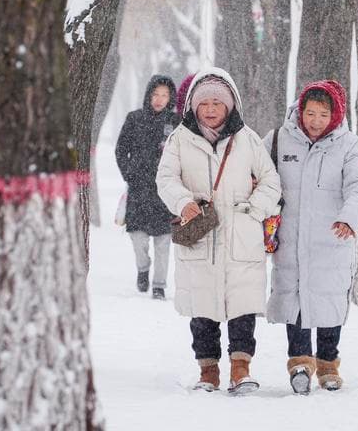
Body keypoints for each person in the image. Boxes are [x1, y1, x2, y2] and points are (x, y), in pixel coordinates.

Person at [156, 67, 281, 395]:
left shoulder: (248, 139)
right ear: (193, 106)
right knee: (202, 309)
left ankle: (241, 370)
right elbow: (165, 179)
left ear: (230, 105)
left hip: (241, 236)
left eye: (217, 103)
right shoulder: (179, 139)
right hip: (200, 235)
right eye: (204, 103)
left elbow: (271, 181)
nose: (210, 109)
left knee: (242, 307)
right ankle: (208, 371)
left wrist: (253, 211)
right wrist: (183, 201)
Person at [265, 80, 358, 394]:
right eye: (310, 113)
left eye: (323, 114)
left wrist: (349, 218)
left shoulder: (349, 144)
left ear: (335, 114)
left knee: (328, 298)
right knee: (294, 296)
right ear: (300, 110)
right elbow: (256, 175)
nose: (315, 120)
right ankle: (299, 362)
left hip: (332, 237)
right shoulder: (279, 139)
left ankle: (327, 364)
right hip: (292, 237)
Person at [115, 74, 179, 300]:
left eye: (165, 95)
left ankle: (159, 285)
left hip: (164, 192)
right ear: (148, 95)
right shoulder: (135, 119)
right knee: (138, 238)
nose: (160, 99)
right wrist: (129, 174)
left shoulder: (176, 123)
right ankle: (143, 269)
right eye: (156, 94)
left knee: (163, 240)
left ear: (171, 97)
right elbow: (121, 150)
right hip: (139, 189)